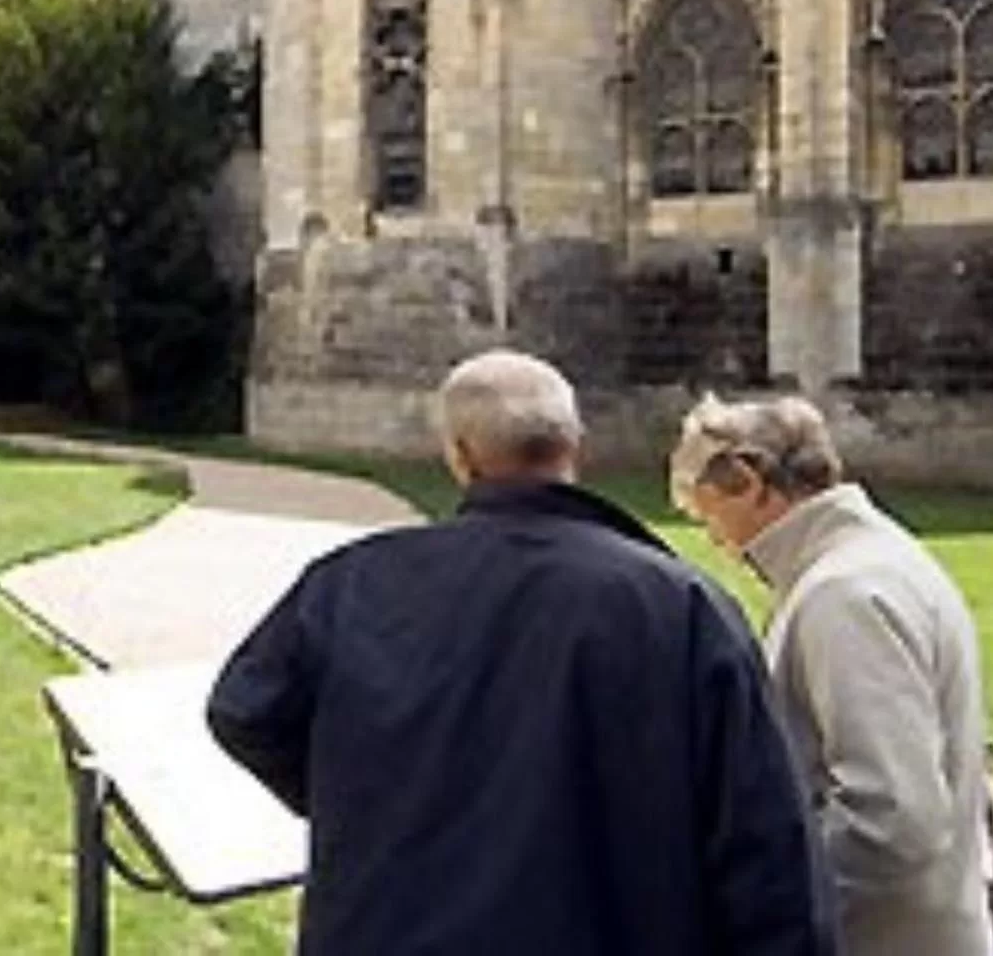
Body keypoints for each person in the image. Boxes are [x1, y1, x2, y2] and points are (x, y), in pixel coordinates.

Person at [206, 351, 836, 956]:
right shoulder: (681, 607)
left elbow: (245, 710)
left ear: (459, 457)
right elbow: (765, 851)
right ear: (574, 447)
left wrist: (368, 797)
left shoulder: (350, 587)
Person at [670, 393, 993, 955]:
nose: (715, 542)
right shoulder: (866, 561)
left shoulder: (844, 593)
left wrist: (765, 901)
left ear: (748, 480)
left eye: (706, 516)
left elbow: (893, 820)